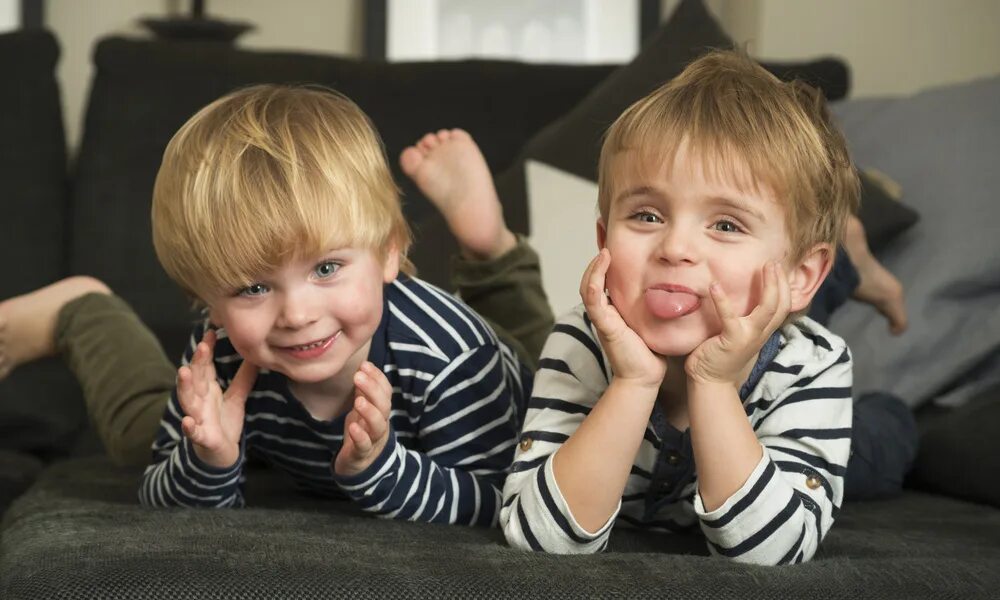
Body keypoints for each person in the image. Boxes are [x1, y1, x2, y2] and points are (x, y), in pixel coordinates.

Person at [497, 49, 911, 564]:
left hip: (804, 423)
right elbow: (539, 539)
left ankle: (850, 270)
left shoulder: (813, 368)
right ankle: (847, 265)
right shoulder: (582, 341)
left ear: (802, 274)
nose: (674, 247)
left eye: (726, 224)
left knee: (882, 441)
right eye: (647, 216)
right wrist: (633, 383)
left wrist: (713, 384)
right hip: (730, 314)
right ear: (602, 239)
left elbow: (771, 555)